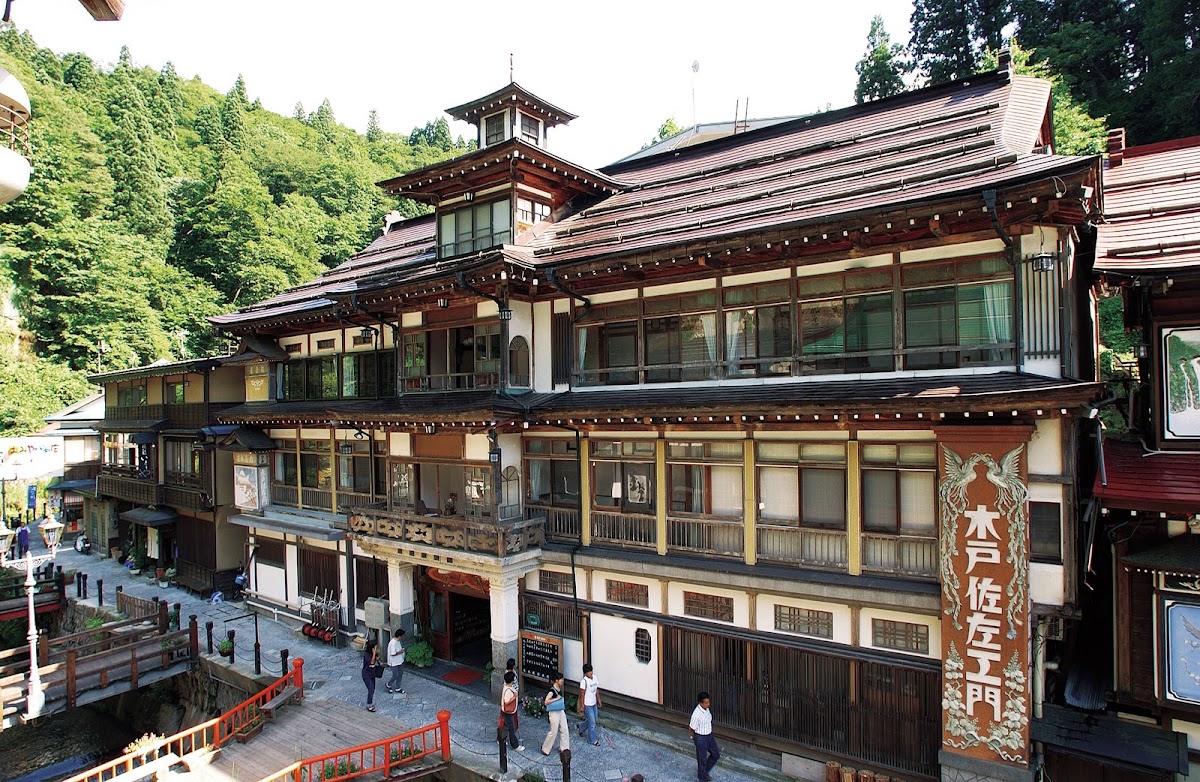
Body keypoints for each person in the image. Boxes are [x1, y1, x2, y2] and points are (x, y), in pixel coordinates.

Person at [689, 691, 719, 782]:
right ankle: (702, 778)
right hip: (701, 737)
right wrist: (695, 738)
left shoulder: (706, 710)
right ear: (701, 703)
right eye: (706, 703)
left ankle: (703, 772)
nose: (708, 704)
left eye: (708, 702)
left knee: (715, 754)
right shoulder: (696, 714)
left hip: (709, 735)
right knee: (702, 759)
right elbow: (691, 728)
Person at [540, 671, 570, 756]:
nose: (562, 680)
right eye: (561, 679)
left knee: (564, 729)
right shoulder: (552, 691)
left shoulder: (558, 688)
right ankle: (545, 748)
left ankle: (564, 748)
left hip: (560, 710)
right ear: (556, 680)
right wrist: (556, 699)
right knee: (554, 730)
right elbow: (546, 701)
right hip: (553, 712)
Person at [577, 662, 602, 746]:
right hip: (587, 704)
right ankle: (592, 740)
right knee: (592, 723)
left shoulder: (594, 678)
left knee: (594, 719)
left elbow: (596, 690)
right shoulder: (584, 681)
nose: (591, 673)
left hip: (594, 703)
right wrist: (582, 705)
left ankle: (581, 727)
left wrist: (599, 700)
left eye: (591, 671)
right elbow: (582, 694)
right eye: (589, 672)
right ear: (585, 673)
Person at [500, 670, 524, 751]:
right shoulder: (509, 690)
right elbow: (507, 701)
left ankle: (500, 738)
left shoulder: (506, 687)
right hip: (508, 712)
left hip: (507, 711)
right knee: (511, 728)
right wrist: (514, 697)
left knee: (505, 726)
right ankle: (515, 745)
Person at [386, 628, 406, 694]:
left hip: (399, 660)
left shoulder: (398, 641)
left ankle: (398, 687)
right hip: (393, 662)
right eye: (403, 635)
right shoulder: (393, 643)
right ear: (400, 636)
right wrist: (401, 652)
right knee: (395, 675)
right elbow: (393, 653)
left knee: (400, 674)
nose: (403, 637)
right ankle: (388, 684)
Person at [362, 638, 380, 712]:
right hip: (366, 674)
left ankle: (370, 702)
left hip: (372, 673)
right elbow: (371, 662)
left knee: (373, 689)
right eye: (375, 647)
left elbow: (376, 660)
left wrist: (377, 657)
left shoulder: (374, 654)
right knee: (371, 689)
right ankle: (369, 704)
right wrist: (374, 653)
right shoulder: (367, 654)